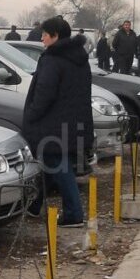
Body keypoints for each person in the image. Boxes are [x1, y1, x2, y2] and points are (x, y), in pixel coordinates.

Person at [22, 16, 94, 228]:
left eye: (45, 34)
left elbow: (44, 93)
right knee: (52, 165)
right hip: (74, 122)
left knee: (58, 165)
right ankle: (34, 205)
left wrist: (32, 114)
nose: (42, 37)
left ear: (55, 36)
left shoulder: (53, 59)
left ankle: (74, 214)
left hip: (53, 123)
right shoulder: (79, 57)